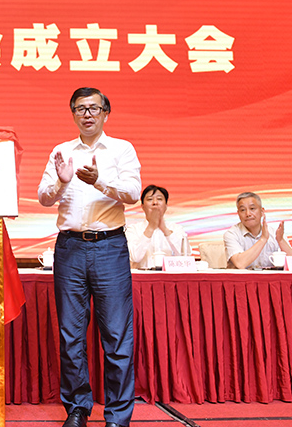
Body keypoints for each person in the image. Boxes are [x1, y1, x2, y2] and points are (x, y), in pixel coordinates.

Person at [38, 87, 139, 427]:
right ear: (73, 114)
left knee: (117, 335)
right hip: (70, 248)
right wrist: (61, 183)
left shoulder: (122, 149)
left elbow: (133, 193)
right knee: (71, 334)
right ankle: (78, 408)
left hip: (109, 247)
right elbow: (43, 197)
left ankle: (117, 416)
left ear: (106, 113)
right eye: (80, 108)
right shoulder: (61, 151)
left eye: (94, 108)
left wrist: (100, 181)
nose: (87, 114)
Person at [223, 192, 292, 269]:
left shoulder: (275, 234)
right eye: (243, 210)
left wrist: (281, 241)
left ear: (262, 211)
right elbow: (240, 263)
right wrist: (263, 239)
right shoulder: (232, 234)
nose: (248, 214)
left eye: (252, 209)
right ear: (238, 214)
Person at [124, 185, 190, 269]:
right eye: (150, 199)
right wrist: (151, 227)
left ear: (166, 206)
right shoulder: (133, 229)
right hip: (142, 276)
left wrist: (165, 230)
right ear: (143, 206)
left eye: (159, 199)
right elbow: (135, 257)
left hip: (171, 275)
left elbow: (185, 257)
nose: (155, 203)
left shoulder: (176, 229)